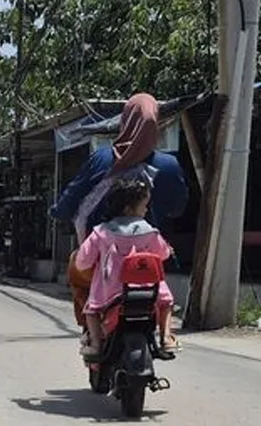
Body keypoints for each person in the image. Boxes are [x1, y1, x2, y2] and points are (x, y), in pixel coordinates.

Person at [52, 94, 189, 327]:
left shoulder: (101, 158)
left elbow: (71, 199)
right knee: (162, 293)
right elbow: (177, 209)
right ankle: (165, 336)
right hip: (147, 262)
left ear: (125, 122)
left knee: (78, 276)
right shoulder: (169, 165)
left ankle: (91, 335)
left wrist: (59, 212)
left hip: (99, 261)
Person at [69, 176, 176, 361]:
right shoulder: (150, 231)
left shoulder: (101, 232)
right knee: (166, 305)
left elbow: (82, 262)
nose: (146, 209)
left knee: (91, 311)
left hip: (111, 293)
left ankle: (95, 344)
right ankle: (166, 337)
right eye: (144, 205)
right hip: (150, 291)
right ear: (129, 208)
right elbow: (163, 254)